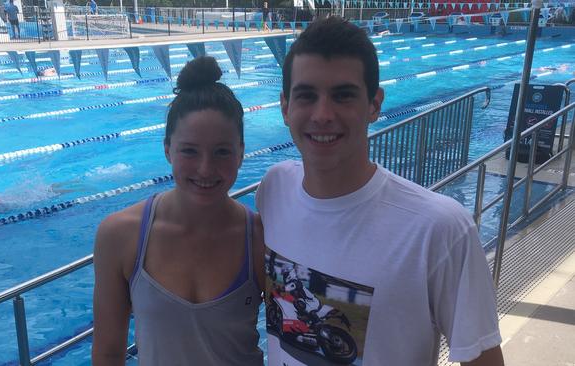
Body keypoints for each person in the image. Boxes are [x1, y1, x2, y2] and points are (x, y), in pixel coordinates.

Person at [256, 17, 504, 365]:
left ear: (375, 104)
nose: (323, 114)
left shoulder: (440, 229)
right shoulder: (273, 189)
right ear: (285, 107)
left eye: (343, 96)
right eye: (306, 96)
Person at [92, 56, 264, 365]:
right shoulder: (120, 235)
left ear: (241, 153)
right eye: (189, 151)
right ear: (168, 149)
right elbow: (107, 353)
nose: (205, 168)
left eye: (222, 151)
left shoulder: (260, 238)